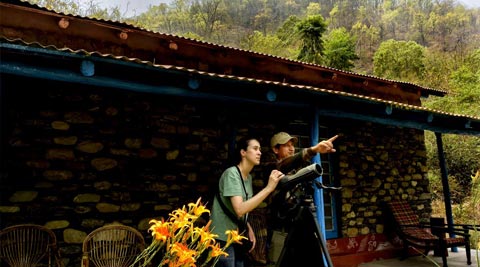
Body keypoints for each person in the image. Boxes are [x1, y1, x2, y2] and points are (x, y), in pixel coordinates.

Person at [211, 136, 285, 267]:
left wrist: (248, 228)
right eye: (255, 149)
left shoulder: (248, 177)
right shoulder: (232, 174)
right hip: (222, 238)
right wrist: (268, 188)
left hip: (237, 237)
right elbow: (240, 208)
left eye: (260, 149)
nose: (259, 152)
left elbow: (240, 212)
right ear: (243, 152)